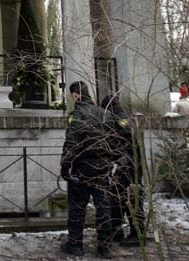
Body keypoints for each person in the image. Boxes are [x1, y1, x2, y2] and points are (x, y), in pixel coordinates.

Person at [60, 81, 117, 258]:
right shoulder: (105, 114)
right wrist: (111, 161)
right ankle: (104, 246)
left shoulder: (77, 115)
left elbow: (72, 143)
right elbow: (114, 141)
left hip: (82, 168)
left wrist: (65, 165)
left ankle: (75, 244)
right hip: (103, 167)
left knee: (77, 208)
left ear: (76, 94)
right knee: (103, 208)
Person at [101, 95, 144, 247]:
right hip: (126, 167)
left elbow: (128, 144)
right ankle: (117, 231)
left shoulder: (121, 119)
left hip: (128, 168)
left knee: (130, 200)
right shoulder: (119, 116)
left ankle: (137, 234)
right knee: (117, 199)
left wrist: (119, 160)